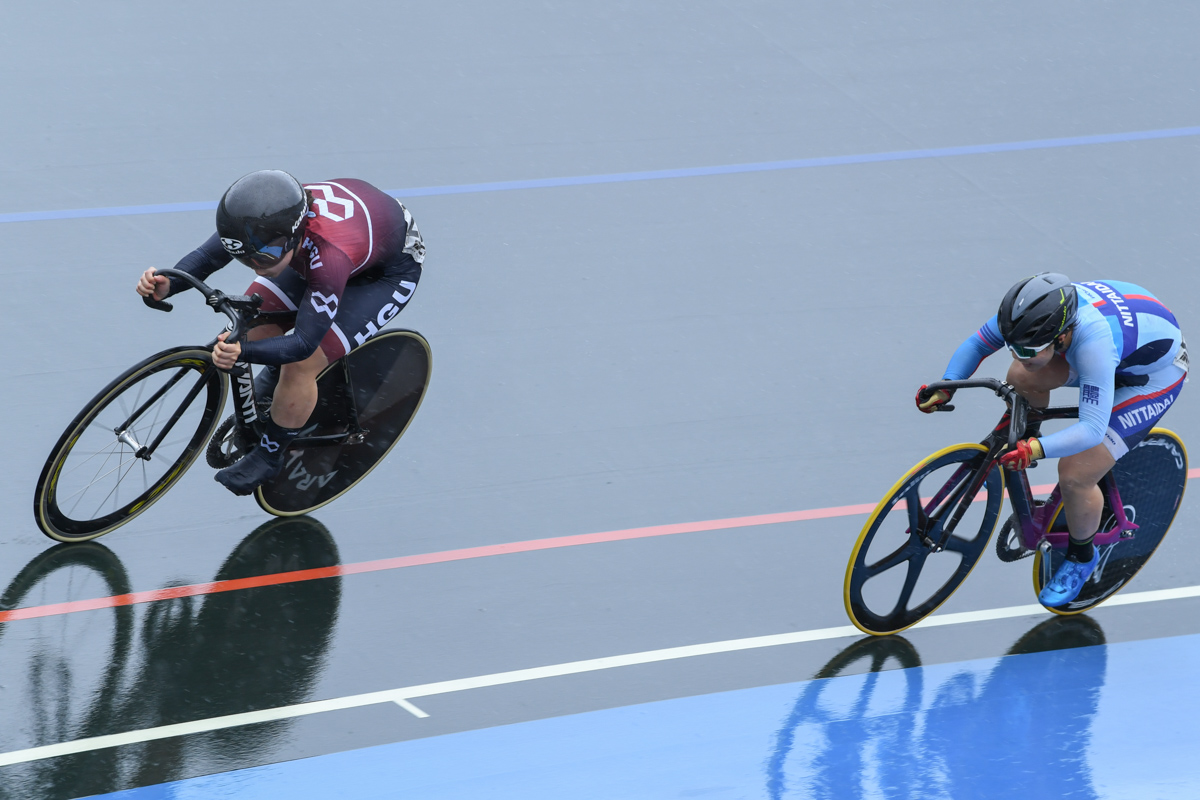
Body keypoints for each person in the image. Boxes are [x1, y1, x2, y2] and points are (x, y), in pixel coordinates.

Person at [135, 170, 425, 495]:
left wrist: (243, 353)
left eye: (264, 257)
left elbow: (302, 345)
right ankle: (276, 384)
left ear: (293, 235)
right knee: (244, 327)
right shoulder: (257, 226)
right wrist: (169, 284)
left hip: (383, 274)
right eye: (244, 257)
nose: (257, 265)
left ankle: (271, 455)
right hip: (326, 246)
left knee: (300, 365)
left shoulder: (328, 256)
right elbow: (207, 257)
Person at [916, 273, 1186, 607]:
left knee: (1076, 473)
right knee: (1021, 376)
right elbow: (978, 344)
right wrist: (949, 383)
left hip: (1152, 377)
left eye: (1028, 348)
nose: (1017, 352)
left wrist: (1037, 450)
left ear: (1062, 336)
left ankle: (1082, 558)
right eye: (1011, 344)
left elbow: (1091, 430)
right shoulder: (1025, 315)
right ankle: (1028, 427)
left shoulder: (1093, 345)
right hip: (1119, 343)